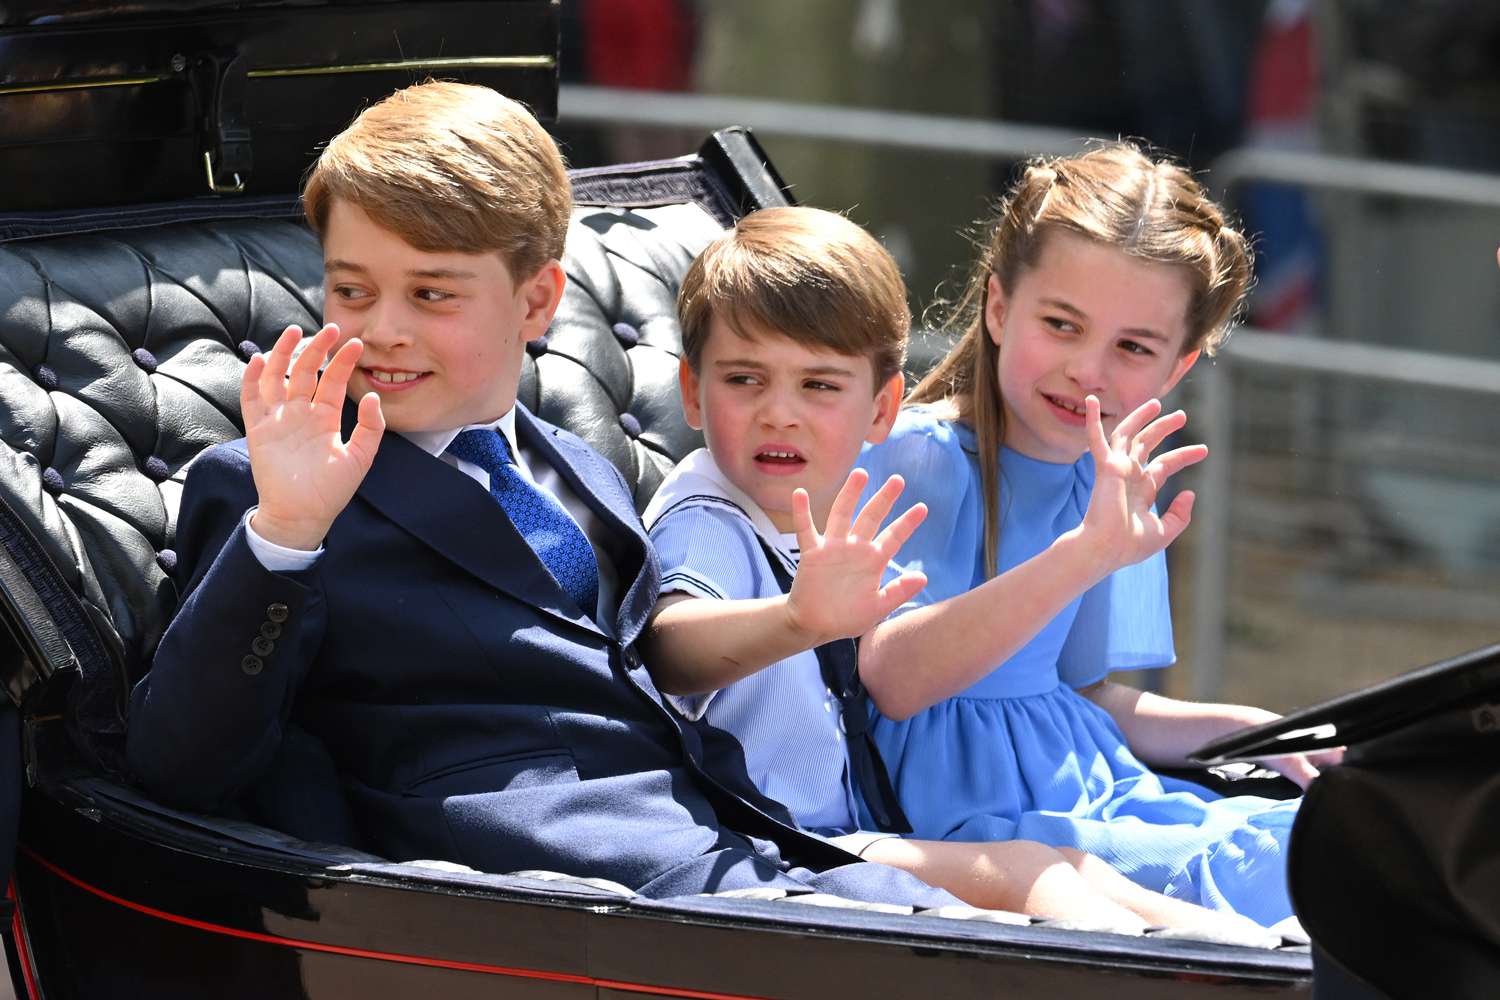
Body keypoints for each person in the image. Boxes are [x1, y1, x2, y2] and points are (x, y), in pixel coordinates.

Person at [123, 80, 964, 908]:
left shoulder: (579, 465)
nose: (382, 327)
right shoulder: (271, 487)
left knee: (1031, 928)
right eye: (352, 290)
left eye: (431, 293)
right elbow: (180, 766)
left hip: (734, 842)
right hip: (543, 889)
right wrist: (286, 532)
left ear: (537, 301)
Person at [641, 205, 1272, 939]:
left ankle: (1257, 958)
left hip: (850, 825)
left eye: (817, 386)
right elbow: (669, 646)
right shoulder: (710, 513)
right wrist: (795, 619)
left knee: (1075, 870)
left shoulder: (817, 511)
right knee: (1030, 873)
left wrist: (1254, 732)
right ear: (691, 391)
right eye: (745, 380)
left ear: (879, 408)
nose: (780, 413)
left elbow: (1083, 693)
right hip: (781, 843)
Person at [853, 142, 1341, 928]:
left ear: (1176, 370)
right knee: (1295, 874)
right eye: (1061, 324)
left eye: (1133, 348)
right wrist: (1084, 553)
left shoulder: (1111, 477)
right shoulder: (912, 456)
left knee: (1323, 838)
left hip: (1099, 791)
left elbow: (1087, 698)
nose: (1089, 370)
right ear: (1000, 308)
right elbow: (895, 682)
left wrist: (1248, 730)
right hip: (986, 827)